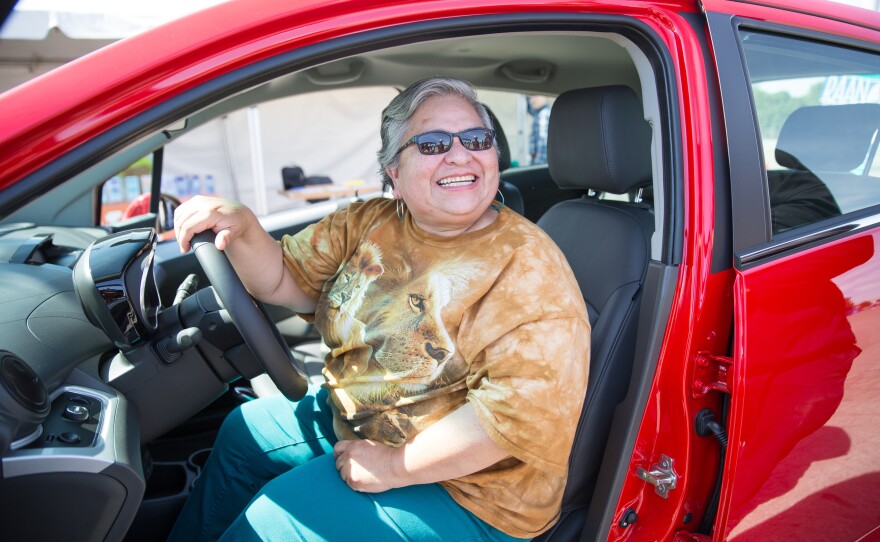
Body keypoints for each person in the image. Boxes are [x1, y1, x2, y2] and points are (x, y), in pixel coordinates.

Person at [168, 77, 590, 541]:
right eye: (431, 143)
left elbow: (511, 419)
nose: (459, 155)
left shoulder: (528, 269)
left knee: (275, 524)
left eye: (476, 139)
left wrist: (393, 466)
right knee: (242, 434)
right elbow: (285, 279)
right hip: (359, 418)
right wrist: (243, 227)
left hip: (474, 489)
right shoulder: (369, 222)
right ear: (392, 169)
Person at [527, 95, 551, 165]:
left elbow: (543, 143)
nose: (532, 100)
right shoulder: (538, 113)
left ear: (545, 96)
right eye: (530, 97)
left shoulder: (544, 115)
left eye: (536, 96)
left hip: (540, 162)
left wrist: (537, 164)